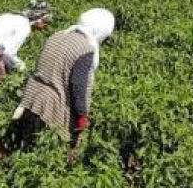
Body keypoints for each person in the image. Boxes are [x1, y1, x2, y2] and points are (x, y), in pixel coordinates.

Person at [11, 8, 115, 159]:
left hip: (32, 97)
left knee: (28, 145)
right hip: (52, 105)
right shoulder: (85, 48)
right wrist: (82, 115)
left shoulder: (58, 35)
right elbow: (78, 85)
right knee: (48, 153)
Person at [0, 1, 53, 82]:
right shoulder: (25, 26)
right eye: (45, 24)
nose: (44, 29)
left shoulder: (11, 16)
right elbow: (8, 53)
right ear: (39, 20)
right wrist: (23, 67)